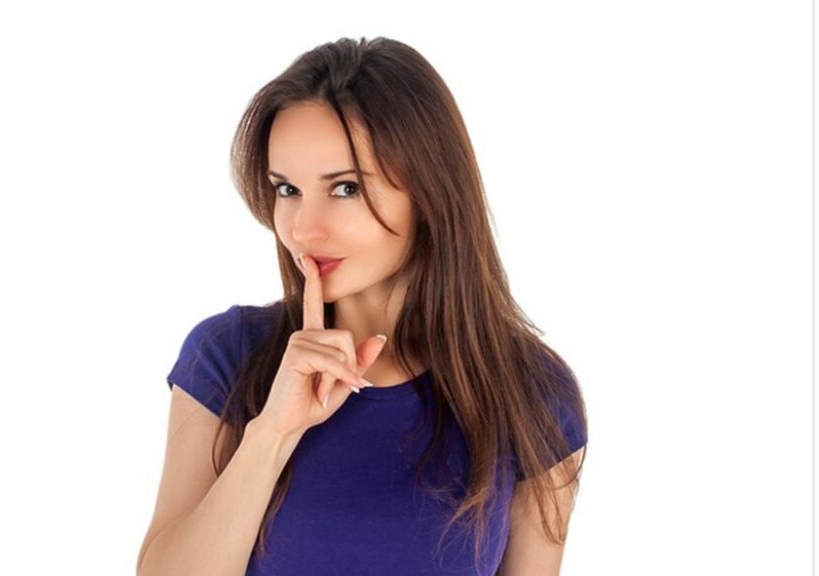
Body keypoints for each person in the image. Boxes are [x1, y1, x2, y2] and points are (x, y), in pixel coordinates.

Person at [137, 36, 588, 576]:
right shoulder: (226, 356)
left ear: (430, 192)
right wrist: (274, 432)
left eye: (345, 189)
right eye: (287, 189)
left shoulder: (532, 393)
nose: (303, 229)